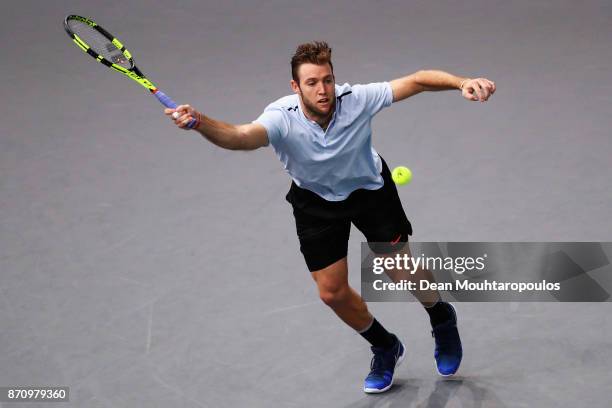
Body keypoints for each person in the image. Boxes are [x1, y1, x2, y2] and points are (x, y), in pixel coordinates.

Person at [166, 41, 496, 393]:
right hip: (316, 201)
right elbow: (240, 137)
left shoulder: (356, 99)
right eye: (311, 83)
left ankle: (441, 317)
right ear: (296, 87)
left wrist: (462, 82)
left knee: (399, 270)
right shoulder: (281, 118)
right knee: (332, 293)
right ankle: (385, 345)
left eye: (327, 80)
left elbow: (417, 80)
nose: (323, 90)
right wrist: (200, 122)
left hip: (370, 192)